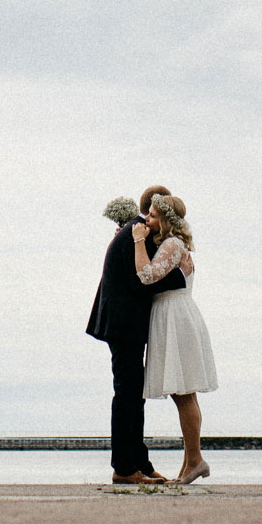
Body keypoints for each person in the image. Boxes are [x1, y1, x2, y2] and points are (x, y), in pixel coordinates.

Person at [86, 184, 184, 485]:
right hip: (123, 325)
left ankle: (139, 462)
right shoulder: (135, 233)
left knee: (133, 394)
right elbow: (146, 280)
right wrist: (181, 272)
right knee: (127, 394)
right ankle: (125, 468)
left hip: (123, 323)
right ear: (153, 208)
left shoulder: (134, 229)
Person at [134, 193, 217, 485]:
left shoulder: (171, 244)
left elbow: (147, 275)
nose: (147, 220)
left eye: (154, 216)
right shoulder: (175, 244)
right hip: (175, 313)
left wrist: (134, 240)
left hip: (174, 316)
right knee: (184, 394)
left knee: (183, 394)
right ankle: (189, 463)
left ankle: (195, 460)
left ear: (167, 219)